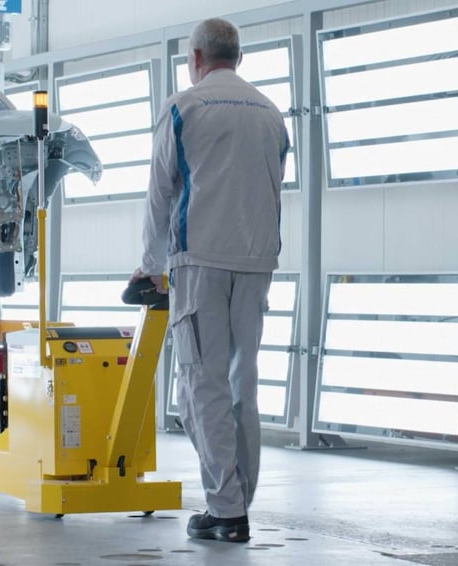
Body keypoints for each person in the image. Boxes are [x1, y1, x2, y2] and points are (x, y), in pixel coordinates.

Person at [130, 17, 288, 543]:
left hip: (200, 262)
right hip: (258, 262)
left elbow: (159, 193)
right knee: (243, 383)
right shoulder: (270, 112)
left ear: (195, 58)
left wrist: (150, 266)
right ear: (237, 57)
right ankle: (239, 495)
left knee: (203, 383)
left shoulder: (184, 107)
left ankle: (226, 509)